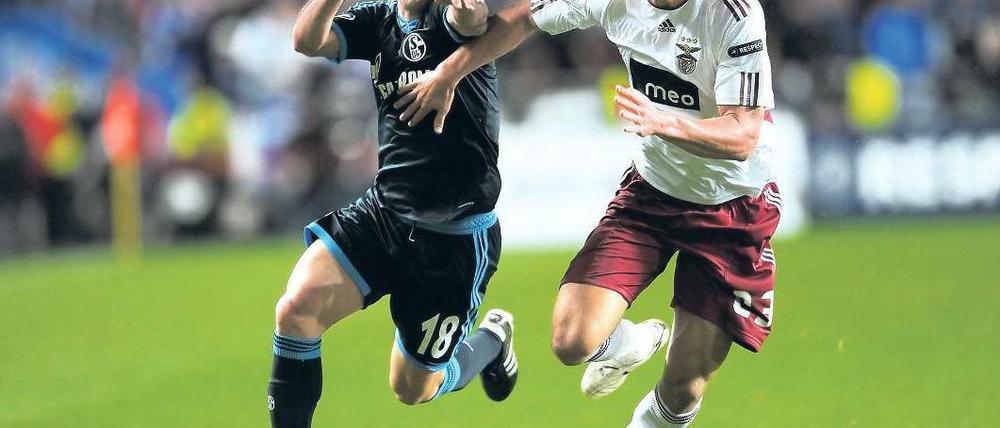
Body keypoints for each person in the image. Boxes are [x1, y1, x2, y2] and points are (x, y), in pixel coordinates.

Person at [395, 0, 780, 426]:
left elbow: (743, 134)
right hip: (652, 195)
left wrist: (664, 122)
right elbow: (524, 17)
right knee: (571, 341)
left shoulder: (733, 15)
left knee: (683, 388)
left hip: (732, 209)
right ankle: (630, 345)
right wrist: (448, 73)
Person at [267, 0, 517, 426]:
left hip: (452, 240)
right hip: (384, 214)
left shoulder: (448, 16)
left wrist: (467, 16)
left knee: (413, 387)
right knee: (296, 310)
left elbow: (471, 19)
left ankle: (493, 340)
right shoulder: (378, 19)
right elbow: (306, 41)